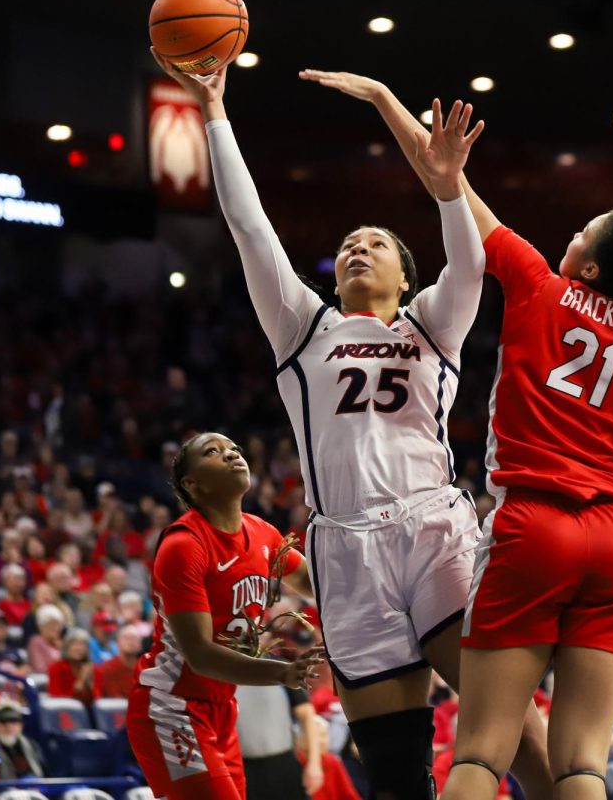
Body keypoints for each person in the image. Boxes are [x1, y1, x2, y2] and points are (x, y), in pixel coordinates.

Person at [304, 68, 613, 800]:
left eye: (579, 233)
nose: (568, 235)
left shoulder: (540, 283)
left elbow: (448, 182)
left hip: (536, 523)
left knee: (481, 750)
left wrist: (384, 103)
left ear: (586, 265)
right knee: (582, 761)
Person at [155, 50, 552, 800]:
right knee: (397, 771)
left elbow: (470, 265)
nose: (354, 248)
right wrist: (213, 111)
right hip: (345, 546)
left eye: (373, 242)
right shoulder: (302, 328)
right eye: (345, 246)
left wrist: (445, 190)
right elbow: (248, 226)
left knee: (510, 718)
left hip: (434, 532)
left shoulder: (430, 322)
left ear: (405, 274)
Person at [126, 432, 324, 800]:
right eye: (214, 452)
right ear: (192, 484)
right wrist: (282, 672)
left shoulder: (262, 533)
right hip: (171, 705)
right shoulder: (184, 545)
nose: (232, 454)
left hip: (221, 706)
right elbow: (199, 655)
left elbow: (321, 588)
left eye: (234, 448)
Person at [0, 702, 44, 780]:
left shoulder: (31, 745)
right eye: (3, 722)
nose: (8, 727)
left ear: (21, 726)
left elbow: (43, 773)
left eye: (13, 722)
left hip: (34, 788)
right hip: (2, 789)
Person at [47, 628, 95, 707]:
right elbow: (56, 700)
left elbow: (97, 701)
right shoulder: (56, 668)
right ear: (66, 647)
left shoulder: (92, 668)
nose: (79, 648)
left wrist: (89, 684)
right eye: (75, 644)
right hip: (64, 714)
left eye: (83, 645)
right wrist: (81, 681)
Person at [93, 624, 142, 700]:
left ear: (140, 645)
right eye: (126, 638)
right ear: (118, 642)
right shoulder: (107, 668)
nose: (131, 642)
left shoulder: (144, 669)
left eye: (134, 639)